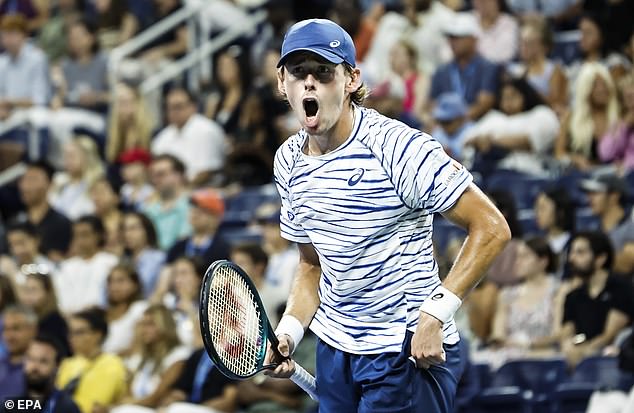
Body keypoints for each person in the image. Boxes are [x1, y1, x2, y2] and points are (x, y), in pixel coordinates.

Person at [265, 18, 511, 412]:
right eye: (299, 72)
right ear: (283, 82)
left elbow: (492, 227)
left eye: (324, 72)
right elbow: (312, 265)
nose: (310, 83)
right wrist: (289, 333)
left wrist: (435, 313)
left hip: (407, 350)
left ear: (351, 79)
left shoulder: (399, 148)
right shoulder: (288, 162)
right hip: (335, 349)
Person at [558, 231, 633, 367]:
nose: (571, 258)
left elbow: (609, 336)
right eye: (572, 252)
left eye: (580, 253)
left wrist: (583, 352)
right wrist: (570, 345)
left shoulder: (621, 288)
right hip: (579, 358)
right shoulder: (573, 296)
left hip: (612, 361)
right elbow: (567, 333)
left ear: (600, 258)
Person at [56, 307, 127, 413]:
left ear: (97, 335)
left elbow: (95, 406)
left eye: (79, 332)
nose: (72, 338)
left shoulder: (112, 364)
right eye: (70, 332)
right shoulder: (68, 363)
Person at [0, 335, 81, 413]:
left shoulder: (66, 407)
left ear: (57, 366)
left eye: (43, 361)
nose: (35, 367)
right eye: (31, 359)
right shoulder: (11, 405)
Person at [15, 161, 72, 262]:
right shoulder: (16, 222)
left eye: (32, 179)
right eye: (23, 180)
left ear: (50, 183)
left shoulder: (63, 223)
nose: (25, 186)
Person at [0, 305, 38, 400]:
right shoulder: (1, 364)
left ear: (33, 330)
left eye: (16, 329)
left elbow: (37, 405)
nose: (9, 336)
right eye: (5, 329)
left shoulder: (39, 368)